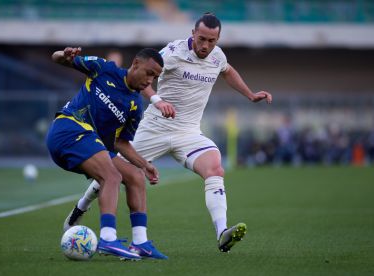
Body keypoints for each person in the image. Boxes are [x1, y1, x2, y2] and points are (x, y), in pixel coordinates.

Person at [66, 13, 273, 253]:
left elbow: (227, 71)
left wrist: (250, 95)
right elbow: (143, 74)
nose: (206, 45)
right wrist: (157, 100)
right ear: (193, 33)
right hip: (154, 129)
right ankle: (81, 207)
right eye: (202, 39)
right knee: (110, 172)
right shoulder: (173, 52)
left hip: (188, 133)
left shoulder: (217, 56)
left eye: (212, 41)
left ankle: (222, 232)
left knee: (215, 168)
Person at [47, 46, 167, 260]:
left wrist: (144, 164)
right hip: (68, 129)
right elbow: (57, 59)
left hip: (90, 143)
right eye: (149, 73)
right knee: (111, 176)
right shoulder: (104, 68)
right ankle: (107, 238)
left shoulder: (134, 106)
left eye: (155, 77)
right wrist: (63, 55)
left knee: (135, 177)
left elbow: (120, 143)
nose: (151, 81)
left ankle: (140, 243)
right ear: (136, 64)